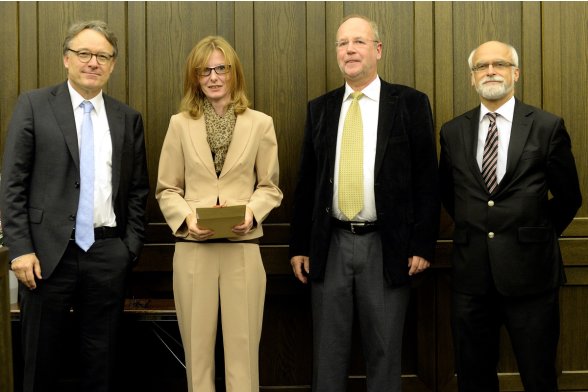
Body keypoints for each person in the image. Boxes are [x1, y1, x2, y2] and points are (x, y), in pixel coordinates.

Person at [289, 15, 439, 392]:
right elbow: (306, 183)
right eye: (342, 43)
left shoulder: (409, 103)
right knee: (328, 354)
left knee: (385, 353)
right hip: (331, 246)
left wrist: (422, 244)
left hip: (387, 247)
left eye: (358, 41)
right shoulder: (320, 108)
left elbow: (427, 180)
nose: (350, 49)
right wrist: (299, 247)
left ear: (378, 50)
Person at [0, 20, 149, 392]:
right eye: (84, 53)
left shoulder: (127, 118)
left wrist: (127, 249)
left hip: (107, 254)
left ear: (112, 65)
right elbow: (12, 182)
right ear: (67, 59)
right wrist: (20, 250)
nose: (93, 62)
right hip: (46, 257)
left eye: (102, 56)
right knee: (40, 363)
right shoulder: (34, 105)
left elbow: (137, 190)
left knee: (101, 363)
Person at [439, 40, 582, 392]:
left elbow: (569, 197)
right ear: (472, 78)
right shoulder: (453, 131)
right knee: (473, 379)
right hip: (471, 278)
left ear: (515, 73)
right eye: (481, 66)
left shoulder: (547, 126)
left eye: (499, 64)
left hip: (531, 276)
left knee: (538, 376)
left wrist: (536, 233)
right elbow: (449, 195)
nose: (490, 71)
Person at [156, 36, 282, 392]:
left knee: (243, 357)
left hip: (242, 249)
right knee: (197, 358)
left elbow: (270, 187)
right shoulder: (179, 124)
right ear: (195, 78)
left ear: (234, 73)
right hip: (194, 251)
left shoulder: (261, 124)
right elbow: (167, 188)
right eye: (204, 70)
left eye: (220, 68)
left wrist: (252, 214)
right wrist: (188, 219)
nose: (213, 77)